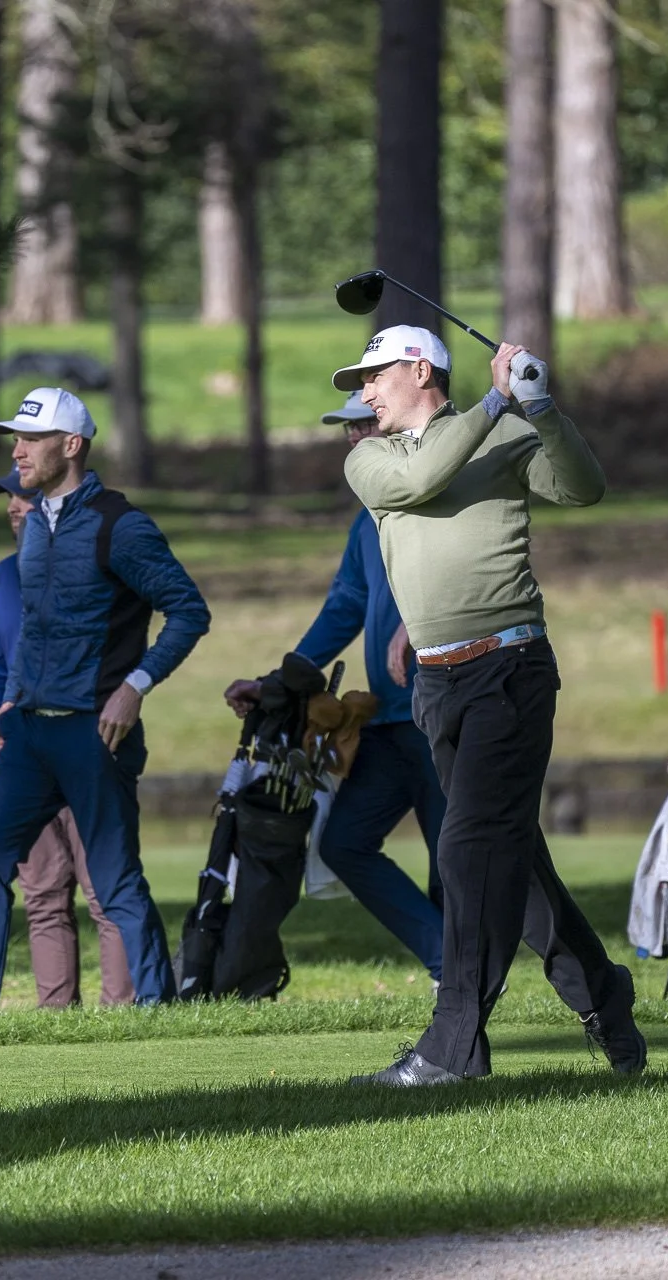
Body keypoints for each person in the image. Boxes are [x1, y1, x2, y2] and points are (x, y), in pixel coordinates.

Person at [336, 324, 646, 1087]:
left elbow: (582, 486)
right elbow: (420, 485)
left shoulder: (504, 431)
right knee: (516, 863)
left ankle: (453, 1048)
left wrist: (541, 411)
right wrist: (494, 400)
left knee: (468, 850)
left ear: (418, 368)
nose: (363, 391)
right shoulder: (370, 458)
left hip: (509, 669)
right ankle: (603, 992)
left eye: (373, 375)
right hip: (436, 685)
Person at [0, 387, 211, 1009]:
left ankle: (157, 1012)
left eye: (31, 440)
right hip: (29, 732)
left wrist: (134, 688)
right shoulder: (35, 523)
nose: (17, 451)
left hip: (96, 732)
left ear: (71, 446)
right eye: (15, 439)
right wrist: (9, 701)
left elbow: (189, 612)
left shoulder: (122, 527)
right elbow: (37, 631)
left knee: (116, 880)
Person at [221, 389, 446, 980]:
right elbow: (344, 608)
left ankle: (477, 982)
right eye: (346, 429)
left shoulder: (431, 505)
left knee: (457, 860)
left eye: (362, 425)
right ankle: (452, 962)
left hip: (441, 713)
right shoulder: (363, 523)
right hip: (389, 723)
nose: (351, 438)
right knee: (344, 843)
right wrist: (280, 680)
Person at [0, 468, 135, 1008]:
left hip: (87, 748)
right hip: (20, 757)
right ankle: (56, 1018)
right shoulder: (1, 576)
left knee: (106, 891)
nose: (15, 508)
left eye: (26, 496)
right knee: (42, 895)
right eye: (10, 501)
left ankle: (124, 1018)